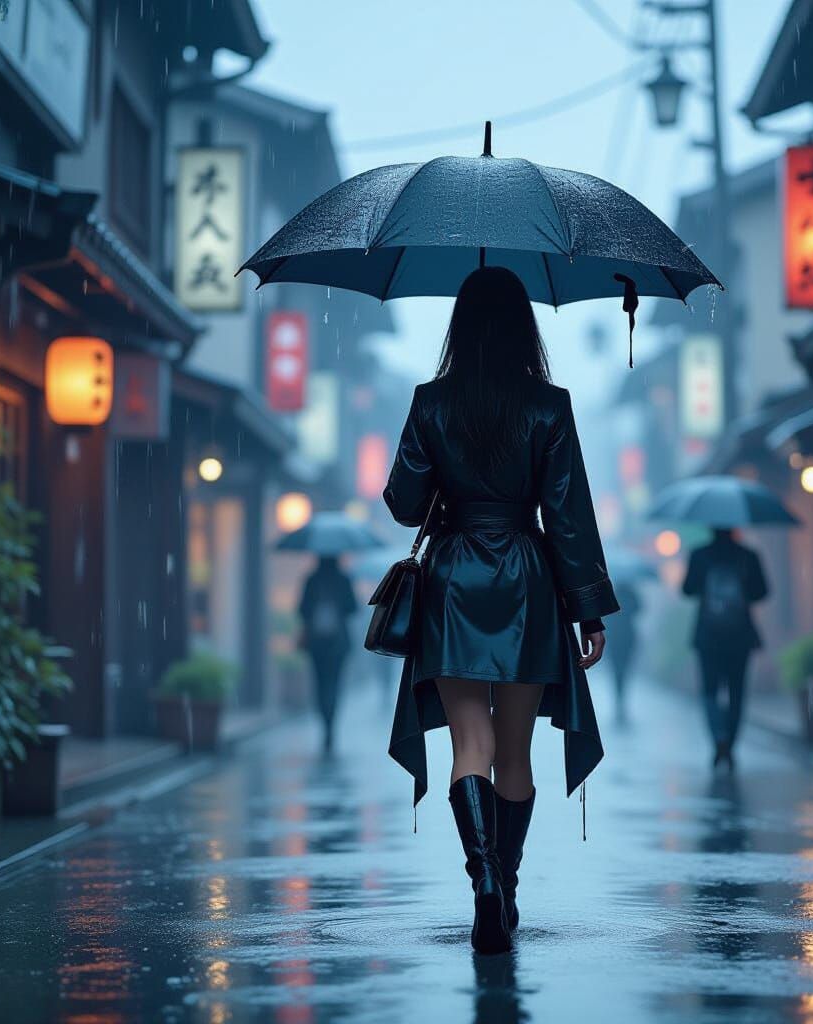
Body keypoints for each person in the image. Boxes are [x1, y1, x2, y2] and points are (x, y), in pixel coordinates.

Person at [383, 266, 619, 955]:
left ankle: (480, 877)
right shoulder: (550, 404)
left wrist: (446, 475)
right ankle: (506, 884)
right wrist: (589, 610)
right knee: (515, 751)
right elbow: (568, 514)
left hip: (454, 577)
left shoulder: (431, 402)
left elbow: (403, 504)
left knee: (469, 745)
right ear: (524, 326)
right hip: (527, 578)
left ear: (459, 326)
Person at [681, 528, 769, 770]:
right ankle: (730, 745)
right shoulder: (747, 556)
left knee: (709, 691)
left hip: (707, 635)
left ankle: (718, 738)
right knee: (736, 692)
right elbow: (762, 592)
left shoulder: (699, 555)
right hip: (739, 636)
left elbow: (687, 589)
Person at [298, 555, 358, 754]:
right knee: (334, 684)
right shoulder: (343, 580)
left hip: (317, 643)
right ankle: (330, 725)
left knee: (320, 683)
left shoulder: (312, 580)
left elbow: (302, 610)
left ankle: (326, 722)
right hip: (338, 643)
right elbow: (353, 608)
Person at [607, 582, 641, 724]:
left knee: (618, 672)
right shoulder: (632, 596)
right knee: (622, 672)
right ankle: (621, 702)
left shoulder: (612, 595)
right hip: (626, 638)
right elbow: (640, 610)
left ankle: (619, 702)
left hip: (615, 637)